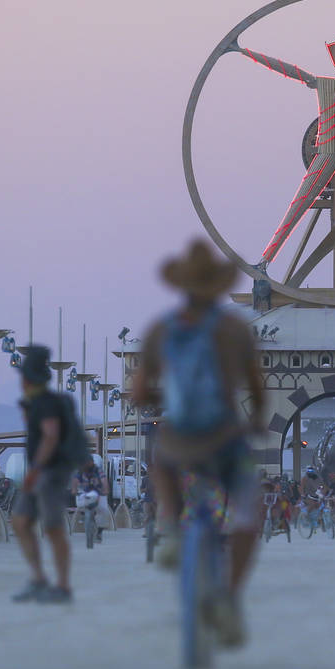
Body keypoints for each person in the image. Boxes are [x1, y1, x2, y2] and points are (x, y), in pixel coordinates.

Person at [131, 240, 265, 648]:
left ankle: (171, 526)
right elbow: (257, 386)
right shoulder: (234, 329)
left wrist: (157, 401)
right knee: (247, 513)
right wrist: (256, 418)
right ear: (218, 286)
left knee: (161, 462)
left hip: (178, 440)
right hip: (225, 439)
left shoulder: (161, 330)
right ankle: (227, 596)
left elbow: (138, 391)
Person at [11, 345, 82, 604]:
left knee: (53, 528)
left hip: (50, 473)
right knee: (20, 521)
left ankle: (62, 586)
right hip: (41, 472)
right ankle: (39, 579)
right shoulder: (35, 403)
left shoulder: (46, 403)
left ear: (28, 378)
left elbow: (50, 436)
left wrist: (37, 469)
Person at [73, 458, 109, 543]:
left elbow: (104, 480)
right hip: (86, 492)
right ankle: (83, 513)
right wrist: (74, 489)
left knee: (104, 510)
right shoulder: (81, 471)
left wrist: (106, 489)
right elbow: (75, 480)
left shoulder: (98, 470)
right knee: (79, 502)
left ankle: (99, 532)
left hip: (99, 492)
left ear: (92, 463)